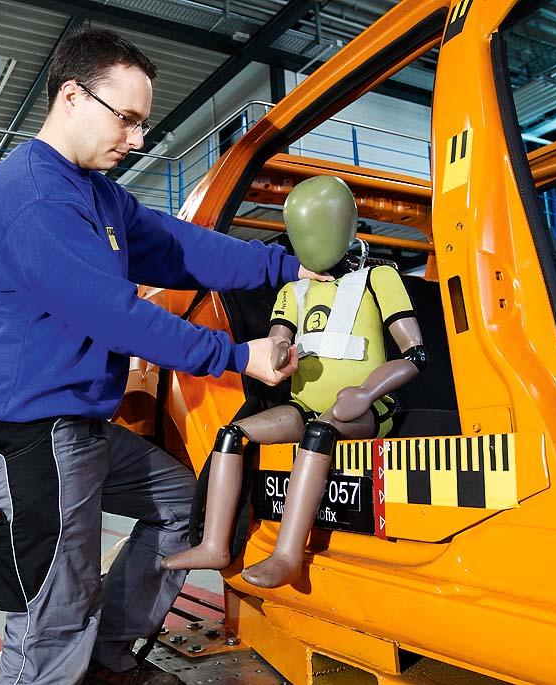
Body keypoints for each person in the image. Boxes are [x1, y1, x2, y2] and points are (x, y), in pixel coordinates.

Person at [0, 29, 327, 685]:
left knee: (186, 506)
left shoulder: (98, 194)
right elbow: (115, 315)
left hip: (82, 424)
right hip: (34, 429)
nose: (139, 139)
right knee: (54, 609)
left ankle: (105, 659)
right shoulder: (32, 194)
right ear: (72, 96)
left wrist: (289, 267)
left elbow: (182, 248)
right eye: (127, 118)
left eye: (142, 122)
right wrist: (238, 355)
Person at [162, 176, 427, 588]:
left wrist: (367, 393)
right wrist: (279, 350)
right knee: (232, 434)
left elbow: (415, 355)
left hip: (366, 408)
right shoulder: (293, 292)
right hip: (305, 406)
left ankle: (287, 555)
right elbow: (278, 339)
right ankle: (214, 543)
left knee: (320, 432)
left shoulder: (379, 279)